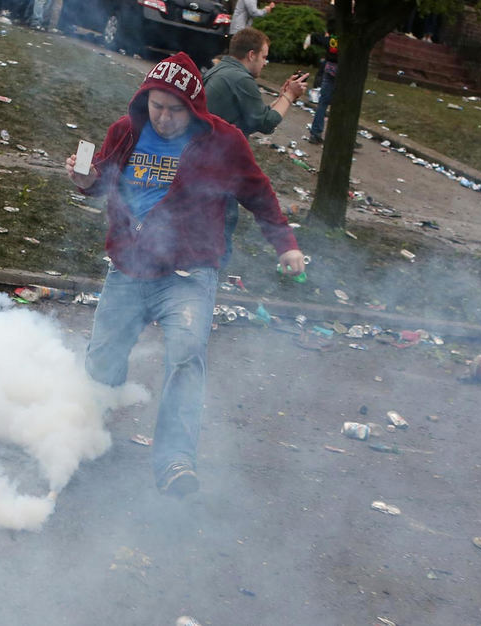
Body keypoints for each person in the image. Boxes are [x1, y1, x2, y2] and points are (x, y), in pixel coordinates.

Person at [66, 52, 305, 497]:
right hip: (129, 268)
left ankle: (176, 459)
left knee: (185, 355)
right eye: (156, 105)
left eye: (175, 109)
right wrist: (86, 180)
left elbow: (259, 193)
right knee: (102, 359)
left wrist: (286, 244)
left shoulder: (224, 141)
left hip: (188, 272)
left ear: (194, 105)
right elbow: (102, 182)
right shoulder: (126, 130)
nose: (164, 117)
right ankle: (88, 437)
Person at [202, 27, 306, 267]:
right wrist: (289, 97)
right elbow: (266, 123)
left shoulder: (222, 70)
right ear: (251, 55)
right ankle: (209, 284)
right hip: (219, 170)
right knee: (221, 232)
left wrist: (282, 96)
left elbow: (253, 115)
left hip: (206, 166)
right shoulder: (241, 79)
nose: (266, 62)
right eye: (264, 56)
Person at [306, 27, 339, 145]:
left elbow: (323, 41)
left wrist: (313, 37)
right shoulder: (348, 36)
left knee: (323, 102)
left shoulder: (332, 38)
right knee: (343, 104)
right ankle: (343, 137)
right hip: (342, 70)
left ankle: (315, 133)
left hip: (330, 68)